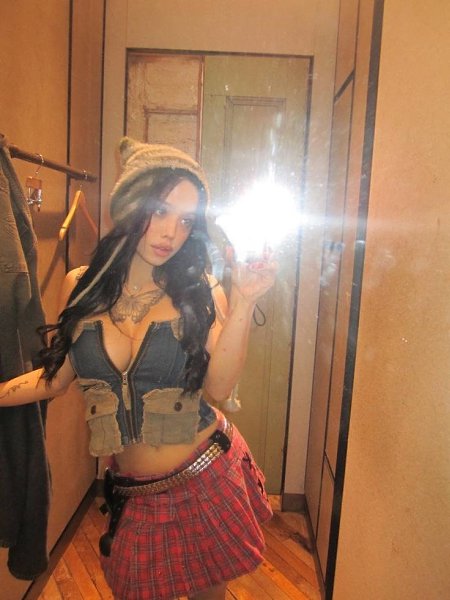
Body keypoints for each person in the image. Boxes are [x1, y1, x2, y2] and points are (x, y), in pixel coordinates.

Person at [0, 137, 277, 600]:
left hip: (207, 477)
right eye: (160, 211)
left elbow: (220, 386)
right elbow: (57, 378)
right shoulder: (80, 287)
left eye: (186, 220)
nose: (171, 233)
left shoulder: (202, 290)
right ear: (130, 204)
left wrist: (245, 300)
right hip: (136, 495)